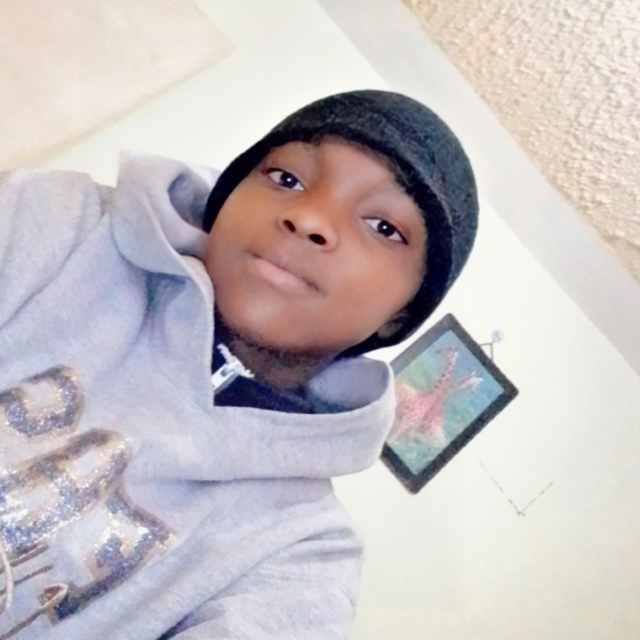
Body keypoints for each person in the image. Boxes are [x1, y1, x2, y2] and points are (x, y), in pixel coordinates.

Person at [0, 90, 477, 639]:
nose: (309, 218)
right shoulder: (64, 225)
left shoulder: (304, 554)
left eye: (384, 226)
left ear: (401, 315)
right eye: (286, 178)